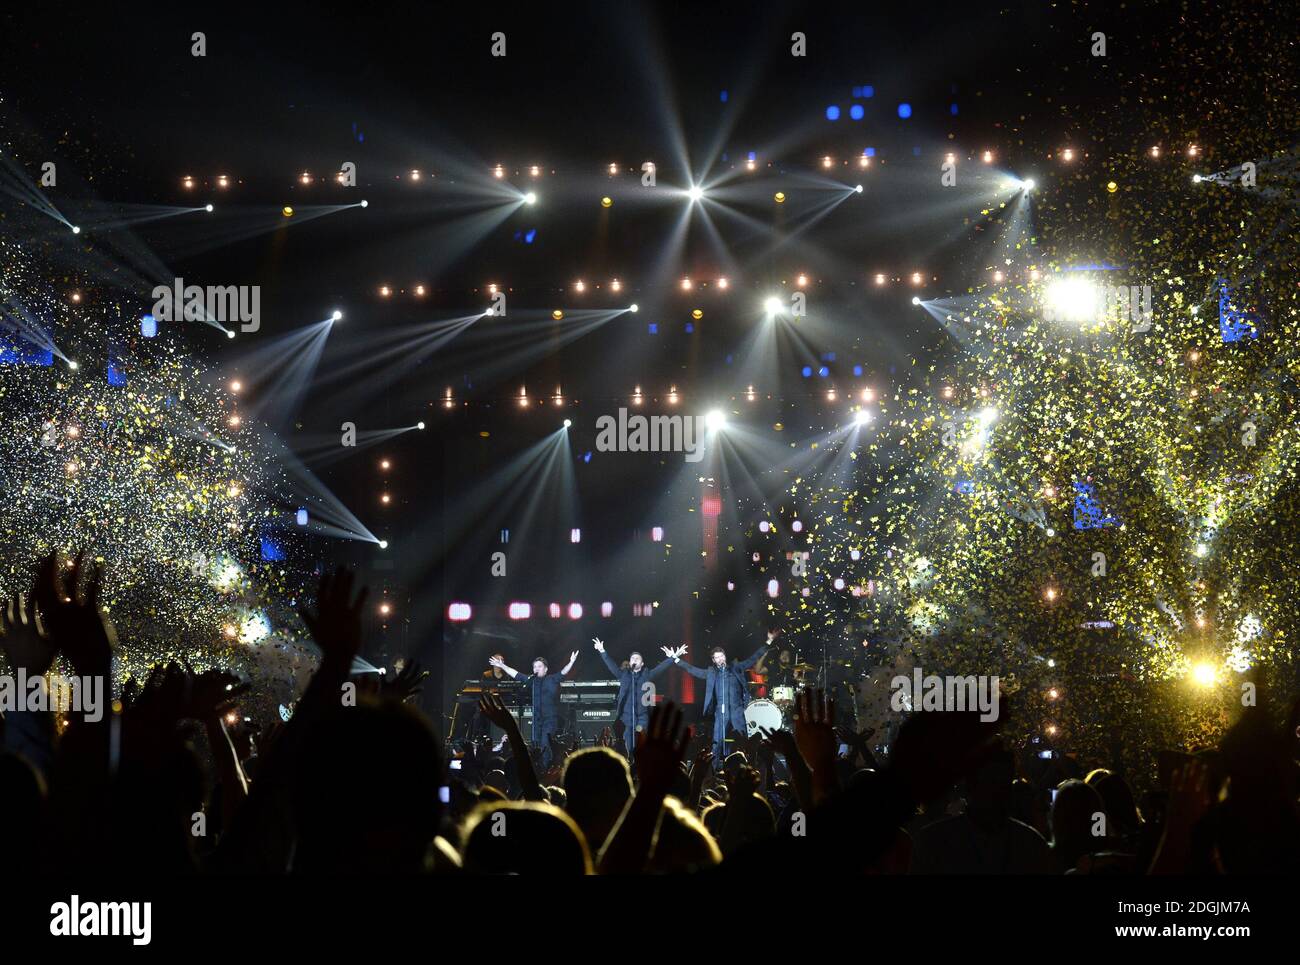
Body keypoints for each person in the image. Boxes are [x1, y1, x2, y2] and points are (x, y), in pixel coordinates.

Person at [670, 630, 775, 766]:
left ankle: (749, 766)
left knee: (743, 739)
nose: (720, 659)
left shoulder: (736, 668)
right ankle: (712, 772)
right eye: (717, 657)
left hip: (737, 710)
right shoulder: (711, 673)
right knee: (717, 741)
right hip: (720, 711)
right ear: (713, 660)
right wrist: (676, 660)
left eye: (722, 656)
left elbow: (753, 659)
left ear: (725, 656)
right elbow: (693, 670)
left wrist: (768, 642)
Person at [592, 636, 679, 768]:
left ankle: (642, 763)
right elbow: (611, 666)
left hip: (642, 716)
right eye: (632, 658)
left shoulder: (647, 674)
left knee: (641, 739)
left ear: (642, 664)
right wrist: (602, 651)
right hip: (627, 716)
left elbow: (660, 668)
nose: (634, 660)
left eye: (637, 658)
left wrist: (673, 658)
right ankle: (632, 764)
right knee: (628, 739)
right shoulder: (624, 674)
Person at [488, 650, 578, 769]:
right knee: (535, 746)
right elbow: (516, 674)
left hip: (549, 719)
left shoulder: (552, 679)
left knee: (545, 744)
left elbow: (563, 672)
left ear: (545, 669)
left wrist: (571, 662)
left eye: (539, 666)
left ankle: (545, 769)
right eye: (535, 666)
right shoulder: (532, 680)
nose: (536, 668)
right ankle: (537, 769)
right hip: (536, 719)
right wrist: (501, 665)